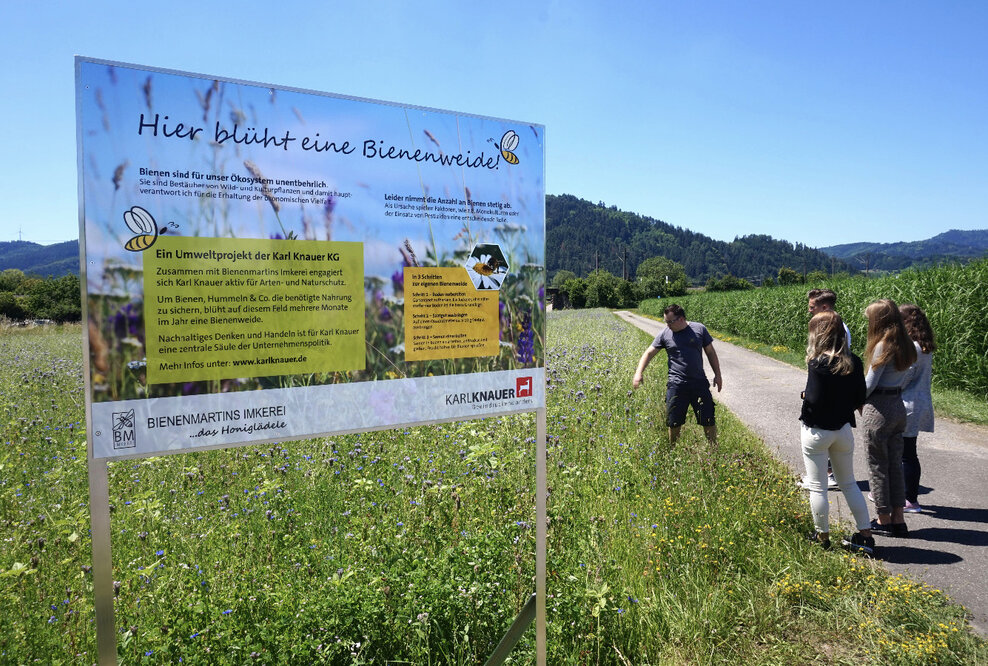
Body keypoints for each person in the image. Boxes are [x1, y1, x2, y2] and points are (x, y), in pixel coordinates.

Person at [800, 311, 874, 554]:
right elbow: (859, 397)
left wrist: (804, 396)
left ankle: (822, 536)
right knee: (849, 483)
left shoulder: (817, 363)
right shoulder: (854, 361)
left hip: (816, 432)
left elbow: (813, 398)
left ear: (818, 335)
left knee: (818, 487)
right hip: (843, 430)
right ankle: (865, 536)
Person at [862, 299, 917, 538]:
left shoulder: (882, 345)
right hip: (897, 404)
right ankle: (898, 518)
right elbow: (906, 379)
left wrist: (853, 398)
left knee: (877, 465)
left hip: (879, 408)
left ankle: (882, 518)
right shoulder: (907, 345)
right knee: (895, 464)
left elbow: (870, 384)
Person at [632, 304, 722, 445]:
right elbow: (649, 353)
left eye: (670, 321)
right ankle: (672, 448)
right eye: (665, 321)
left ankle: (713, 449)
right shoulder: (664, 334)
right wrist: (638, 373)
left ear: (681, 319)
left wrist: (718, 375)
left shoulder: (699, 329)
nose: (667, 325)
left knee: (708, 418)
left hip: (699, 382)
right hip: (676, 384)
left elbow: (710, 352)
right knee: (673, 421)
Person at [800, 288, 849, 491]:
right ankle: (825, 473)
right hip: (832, 391)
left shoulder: (837, 330)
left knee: (825, 431)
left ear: (825, 307)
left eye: (812, 307)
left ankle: (827, 475)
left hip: (830, 396)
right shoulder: (834, 328)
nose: (809, 311)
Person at [899, 304, 935, 513]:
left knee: (904, 454)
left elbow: (904, 378)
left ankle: (908, 498)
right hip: (921, 401)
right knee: (909, 452)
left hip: (906, 403)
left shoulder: (910, 347)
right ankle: (908, 497)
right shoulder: (924, 345)